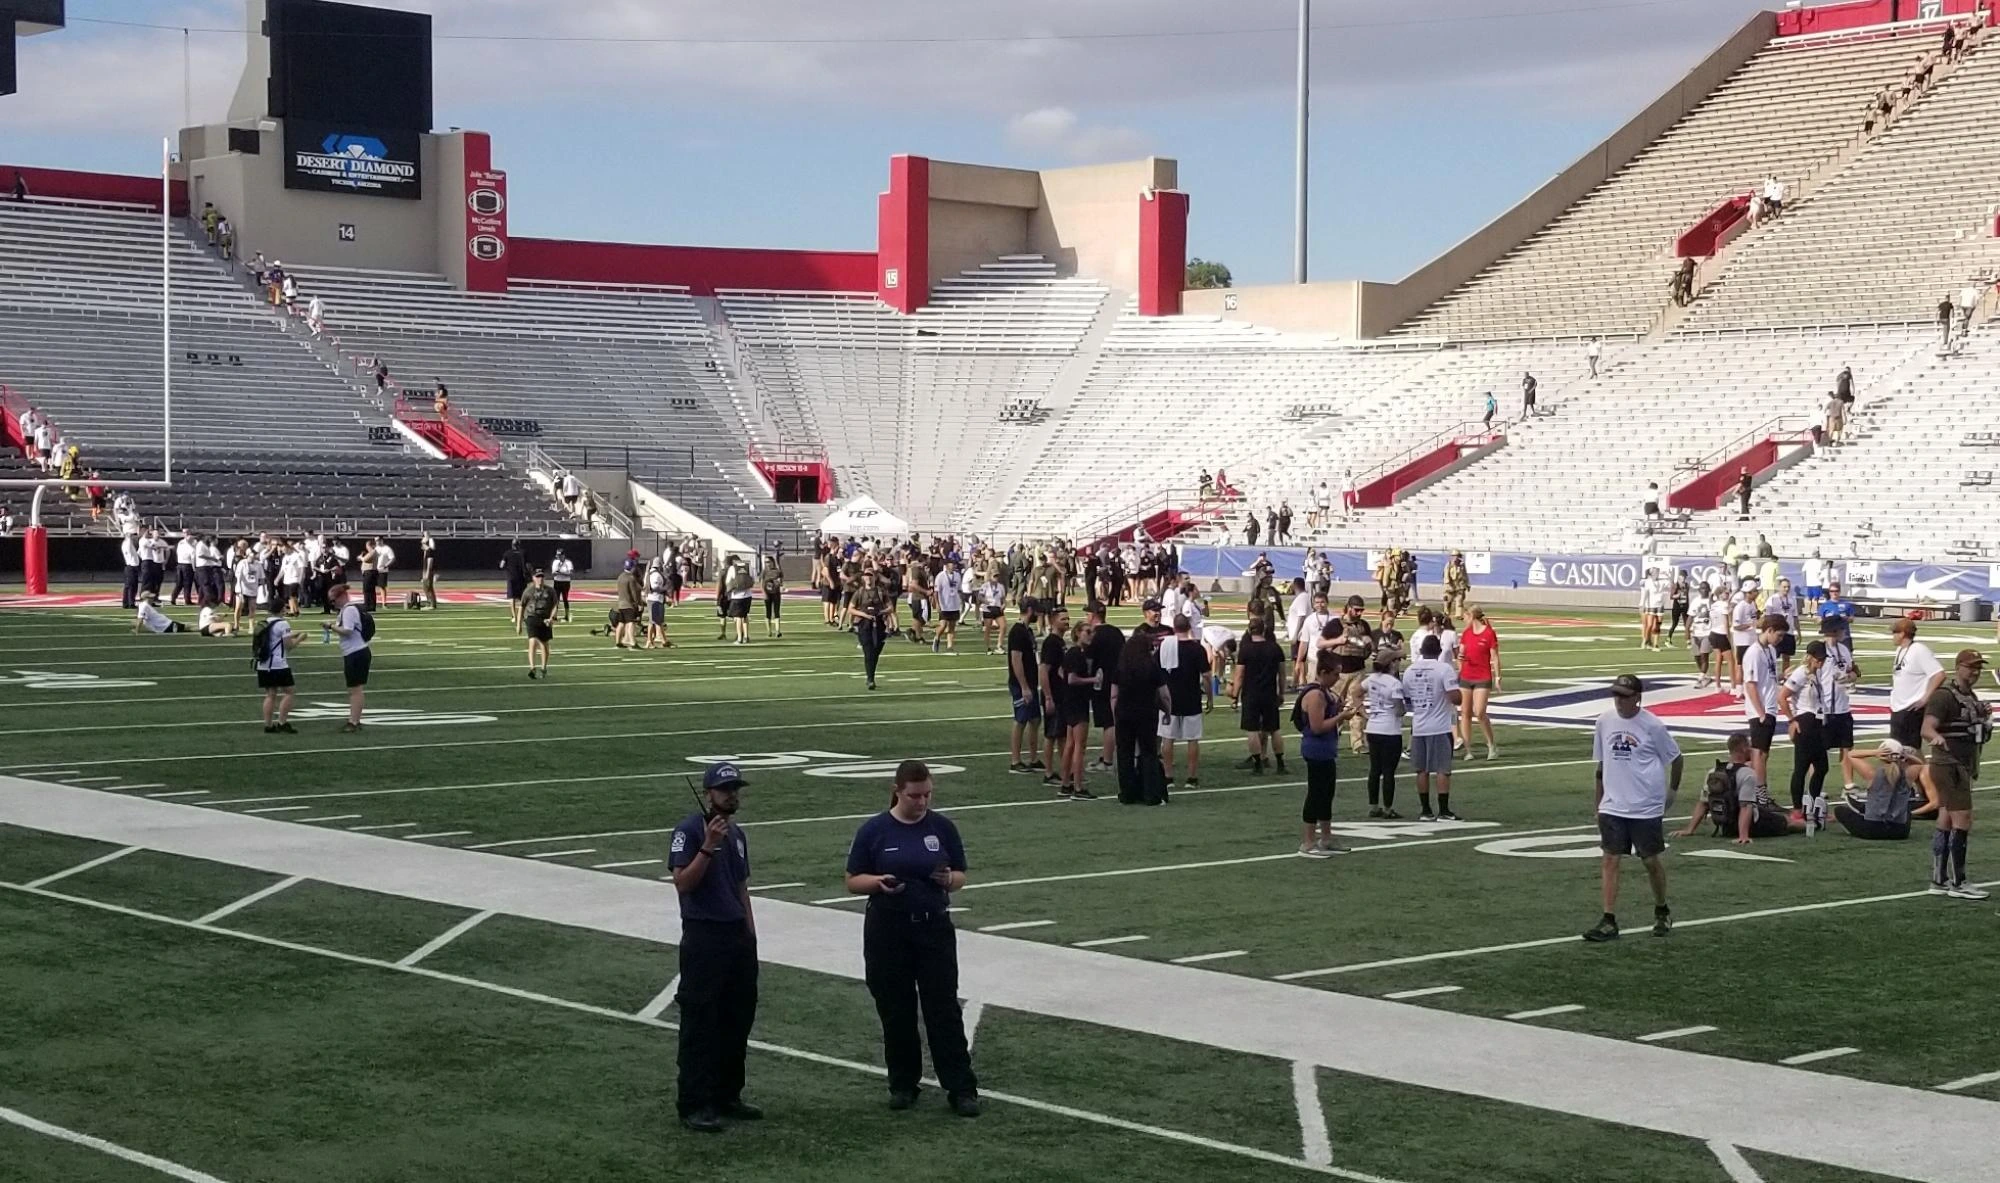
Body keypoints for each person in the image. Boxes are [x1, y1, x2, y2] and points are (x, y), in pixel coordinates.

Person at [844, 760, 980, 1117]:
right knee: (895, 1007)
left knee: (943, 1007)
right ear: (897, 791)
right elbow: (853, 879)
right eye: (914, 795)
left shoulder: (942, 827)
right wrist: (878, 883)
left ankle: (961, 1087)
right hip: (888, 928)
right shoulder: (875, 830)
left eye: (927, 794)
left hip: (933, 926)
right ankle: (903, 1083)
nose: (922, 802)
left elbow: (961, 874)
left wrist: (948, 880)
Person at [669, 762, 761, 1133]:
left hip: (736, 937)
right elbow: (682, 883)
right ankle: (694, 1102)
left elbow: (742, 888)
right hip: (704, 936)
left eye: (735, 788)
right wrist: (707, 847)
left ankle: (727, 1094)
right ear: (708, 793)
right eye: (725, 789)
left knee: (737, 1019)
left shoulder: (737, 835)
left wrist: (751, 935)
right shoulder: (689, 830)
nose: (732, 794)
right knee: (701, 1021)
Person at [1584, 674, 1681, 942]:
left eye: (1624, 696)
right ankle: (1608, 919)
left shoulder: (1652, 726)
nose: (1619, 701)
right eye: (1616, 695)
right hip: (1613, 805)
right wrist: (1598, 803)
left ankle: (1662, 909)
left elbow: (1676, 757)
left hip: (1645, 806)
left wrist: (1670, 793)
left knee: (1650, 860)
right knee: (1610, 859)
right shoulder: (1604, 722)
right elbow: (1601, 766)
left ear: (1637, 698)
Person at [1921, 649, 1991, 899]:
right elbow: (1927, 727)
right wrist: (1937, 738)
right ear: (1958, 666)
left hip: (1961, 763)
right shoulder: (1944, 696)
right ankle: (1958, 882)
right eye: (1971, 667)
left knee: (1946, 819)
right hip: (1949, 764)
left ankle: (1939, 879)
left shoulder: (1969, 696)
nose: (1974, 672)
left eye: (1978, 668)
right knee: (1963, 819)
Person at [1295, 650, 1358, 858]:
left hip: (1326, 750)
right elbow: (1318, 726)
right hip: (1316, 750)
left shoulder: (1325, 692)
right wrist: (1342, 716)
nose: (1337, 678)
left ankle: (1327, 838)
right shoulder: (1315, 695)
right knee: (1316, 794)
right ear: (1323, 672)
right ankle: (1308, 842)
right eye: (1335, 674)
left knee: (1326, 794)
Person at [1888, 616, 1946, 817]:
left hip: (1911, 709)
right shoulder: (1901, 651)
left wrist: (1924, 698)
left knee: (1910, 753)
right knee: (1901, 753)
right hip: (1899, 708)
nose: (1892, 636)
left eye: (1895, 632)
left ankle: (1931, 795)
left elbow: (1939, 674)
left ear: (1903, 633)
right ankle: (1922, 792)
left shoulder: (1919, 650)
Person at [1404, 634, 1463, 821]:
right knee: (1442, 769)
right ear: (1438, 651)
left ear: (1422, 651)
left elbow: (1406, 698)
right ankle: (1444, 810)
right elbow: (1456, 698)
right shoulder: (1444, 669)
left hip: (1419, 725)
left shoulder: (1410, 670)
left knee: (1421, 770)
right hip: (1439, 726)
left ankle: (1425, 810)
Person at [1778, 640, 1834, 829]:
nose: (1821, 662)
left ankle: (1813, 804)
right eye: (1818, 659)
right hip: (1805, 722)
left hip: (1817, 722)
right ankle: (1796, 810)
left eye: (1823, 659)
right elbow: (1782, 697)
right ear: (1810, 657)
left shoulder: (1815, 674)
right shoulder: (1801, 672)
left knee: (1822, 766)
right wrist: (1792, 720)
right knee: (1801, 767)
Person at [1111, 631, 1171, 805]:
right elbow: (1164, 694)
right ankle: (1151, 794)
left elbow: (1113, 695)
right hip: (1146, 713)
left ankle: (1127, 793)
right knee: (1148, 753)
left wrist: (1116, 713)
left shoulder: (1121, 666)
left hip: (1124, 713)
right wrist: (1167, 711)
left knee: (1125, 754)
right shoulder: (1151, 666)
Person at [1158, 613, 1210, 791]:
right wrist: (1210, 697)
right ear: (1188, 627)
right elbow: (1206, 676)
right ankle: (1192, 777)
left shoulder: (1164, 647)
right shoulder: (1197, 649)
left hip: (1168, 699)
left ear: (1174, 627)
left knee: (1167, 738)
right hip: (1191, 697)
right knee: (1192, 738)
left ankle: (1168, 776)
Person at [1233, 613, 1289, 776]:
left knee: (1252, 730)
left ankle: (1257, 764)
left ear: (1250, 631)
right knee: (1274, 729)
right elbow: (1282, 673)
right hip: (1269, 693)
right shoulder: (1274, 648)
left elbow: (1239, 675)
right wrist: (1281, 692)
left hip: (1251, 694)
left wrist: (1235, 695)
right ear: (1264, 630)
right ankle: (1280, 763)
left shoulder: (1245, 650)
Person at [1836, 740, 1916, 841]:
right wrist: (1906, 756)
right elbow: (1921, 763)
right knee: (1906, 808)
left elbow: (1851, 755)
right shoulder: (1908, 774)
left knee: (1840, 810)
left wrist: (1875, 752)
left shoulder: (1872, 774)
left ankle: (1863, 812)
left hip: (1873, 829)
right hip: (1900, 831)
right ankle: (1864, 810)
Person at [1741, 614, 1783, 790]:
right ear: (1769, 630)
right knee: (1758, 753)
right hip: (1761, 709)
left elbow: (1768, 677)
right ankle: (1759, 791)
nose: (1780, 639)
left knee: (1764, 754)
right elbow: (1750, 684)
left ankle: (1746, 782)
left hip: (1770, 706)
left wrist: (1782, 676)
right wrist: (1760, 713)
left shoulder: (1770, 650)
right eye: (1779, 635)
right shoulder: (1753, 652)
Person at [1060, 621, 1101, 797]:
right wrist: (1092, 680)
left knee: (1070, 745)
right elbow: (1071, 678)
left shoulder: (1073, 653)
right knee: (1079, 746)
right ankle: (1078, 786)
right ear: (1077, 633)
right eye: (1087, 631)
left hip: (1070, 701)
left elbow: (1061, 672)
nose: (1090, 635)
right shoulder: (1077, 654)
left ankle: (1065, 784)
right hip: (1078, 703)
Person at [326, 582, 371, 733]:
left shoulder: (349, 610)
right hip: (354, 651)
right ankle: (355, 719)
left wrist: (331, 627)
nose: (333, 603)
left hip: (356, 652)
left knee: (355, 689)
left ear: (342, 596)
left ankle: (354, 721)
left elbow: (348, 631)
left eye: (334, 600)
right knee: (354, 689)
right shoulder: (346, 610)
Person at [252, 600, 302, 734]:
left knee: (270, 695)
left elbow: (275, 638)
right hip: (278, 664)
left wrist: (292, 634)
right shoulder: (283, 624)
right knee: (289, 692)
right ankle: (282, 722)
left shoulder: (265, 622)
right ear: (282, 610)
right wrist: (300, 639)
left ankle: (268, 725)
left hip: (263, 664)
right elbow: (288, 646)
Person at [1457, 606, 1500, 760]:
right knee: (1465, 713)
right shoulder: (1466, 634)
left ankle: (1491, 744)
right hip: (1466, 676)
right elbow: (1461, 654)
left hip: (1482, 676)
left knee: (1480, 712)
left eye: (1465, 617)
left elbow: (1494, 656)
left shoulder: (1488, 633)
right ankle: (1468, 750)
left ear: (1472, 616)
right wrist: (1460, 662)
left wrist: (1498, 676)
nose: (1464, 620)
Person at [1006, 603, 1045, 773]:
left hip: (1030, 682)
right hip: (1021, 684)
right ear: (1030, 610)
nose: (1039, 614)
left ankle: (1033, 758)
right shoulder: (1018, 632)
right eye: (1037, 611)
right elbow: (1016, 659)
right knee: (1020, 719)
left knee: (1035, 719)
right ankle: (1015, 760)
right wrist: (1023, 686)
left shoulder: (1027, 631)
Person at [849, 566, 892, 691]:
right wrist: (864, 615)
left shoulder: (880, 591)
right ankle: (870, 678)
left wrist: (880, 612)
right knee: (869, 652)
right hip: (864, 625)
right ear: (863, 577)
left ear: (875, 577)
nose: (868, 577)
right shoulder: (860, 592)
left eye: (870, 575)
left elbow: (890, 608)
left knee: (876, 652)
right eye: (866, 575)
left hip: (878, 625)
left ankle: (871, 675)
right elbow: (851, 609)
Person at [521, 567, 558, 679]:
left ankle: (543, 668)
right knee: (532, 641)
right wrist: (518, 623)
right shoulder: (528, 591)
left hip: (545, 619)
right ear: (533, 578)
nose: (540, 579)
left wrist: (551, 618)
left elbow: (555, 605)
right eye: (537, 577)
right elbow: (522, 606)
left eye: (541, 576)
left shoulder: (550, 591)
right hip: (532, 617)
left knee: (544, 645)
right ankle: (532, 668)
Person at [500, 540, 528, 633]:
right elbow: (527, 565)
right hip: (521, 577)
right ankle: (522, 615)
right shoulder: (523, 553)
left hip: (511, 577)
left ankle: (514, 616)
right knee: (522, 598)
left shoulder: (507, 553)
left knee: (511, 597)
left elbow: (501, 565)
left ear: (512, 545)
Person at [549, 549, 574, 622]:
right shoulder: (555, 562)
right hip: (557, 582)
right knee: (556, 600)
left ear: (563, 555)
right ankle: (554, 615)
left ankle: (566, 616)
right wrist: (560, 572)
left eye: (560, 555)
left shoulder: (568, 562)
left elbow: (570, 573)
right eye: (557, 555)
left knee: (565, 599)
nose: (558, 557)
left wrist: (561, 573)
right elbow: (553, 573)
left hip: (565, 583)